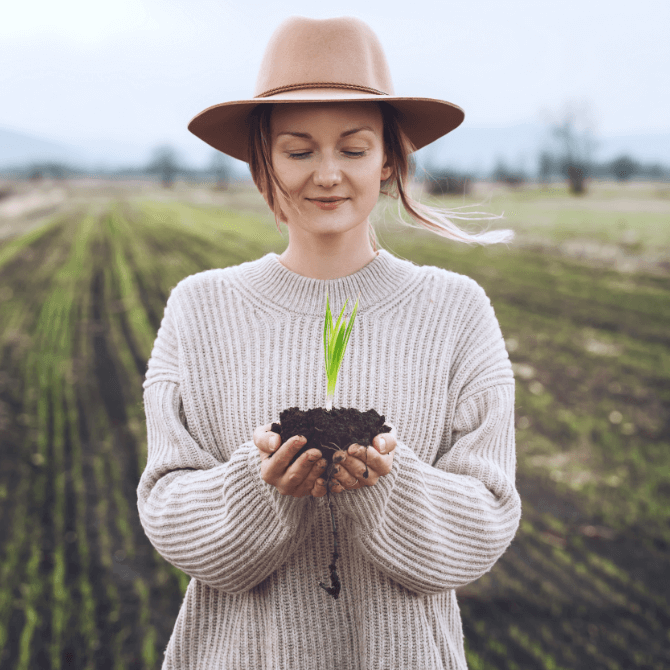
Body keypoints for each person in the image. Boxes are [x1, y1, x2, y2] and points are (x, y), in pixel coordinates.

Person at [137, 15, 521, 670]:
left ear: (389, 158)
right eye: (298, 149)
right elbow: (168, 507)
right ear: (263, 158)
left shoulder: (455, 311)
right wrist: (261, 486)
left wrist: (387, 485)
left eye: (353, 148)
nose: (327, 174)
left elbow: (485, 522)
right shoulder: (201, 308)